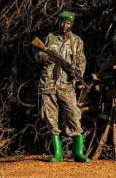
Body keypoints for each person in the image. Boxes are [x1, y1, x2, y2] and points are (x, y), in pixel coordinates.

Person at [36, 11, 89, 163]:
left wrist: (77, 73)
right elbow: (37, 54)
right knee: (50, 116)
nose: (64, 25)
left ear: (71, 25)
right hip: (49, 83)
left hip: (66, 85)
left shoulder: (76, 41)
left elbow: (81, 61)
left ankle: (78, 153)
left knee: (73, 114)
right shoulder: (50, 38)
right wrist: (42, 56)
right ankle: (57, 153)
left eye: (67, 23)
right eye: (62, 22)